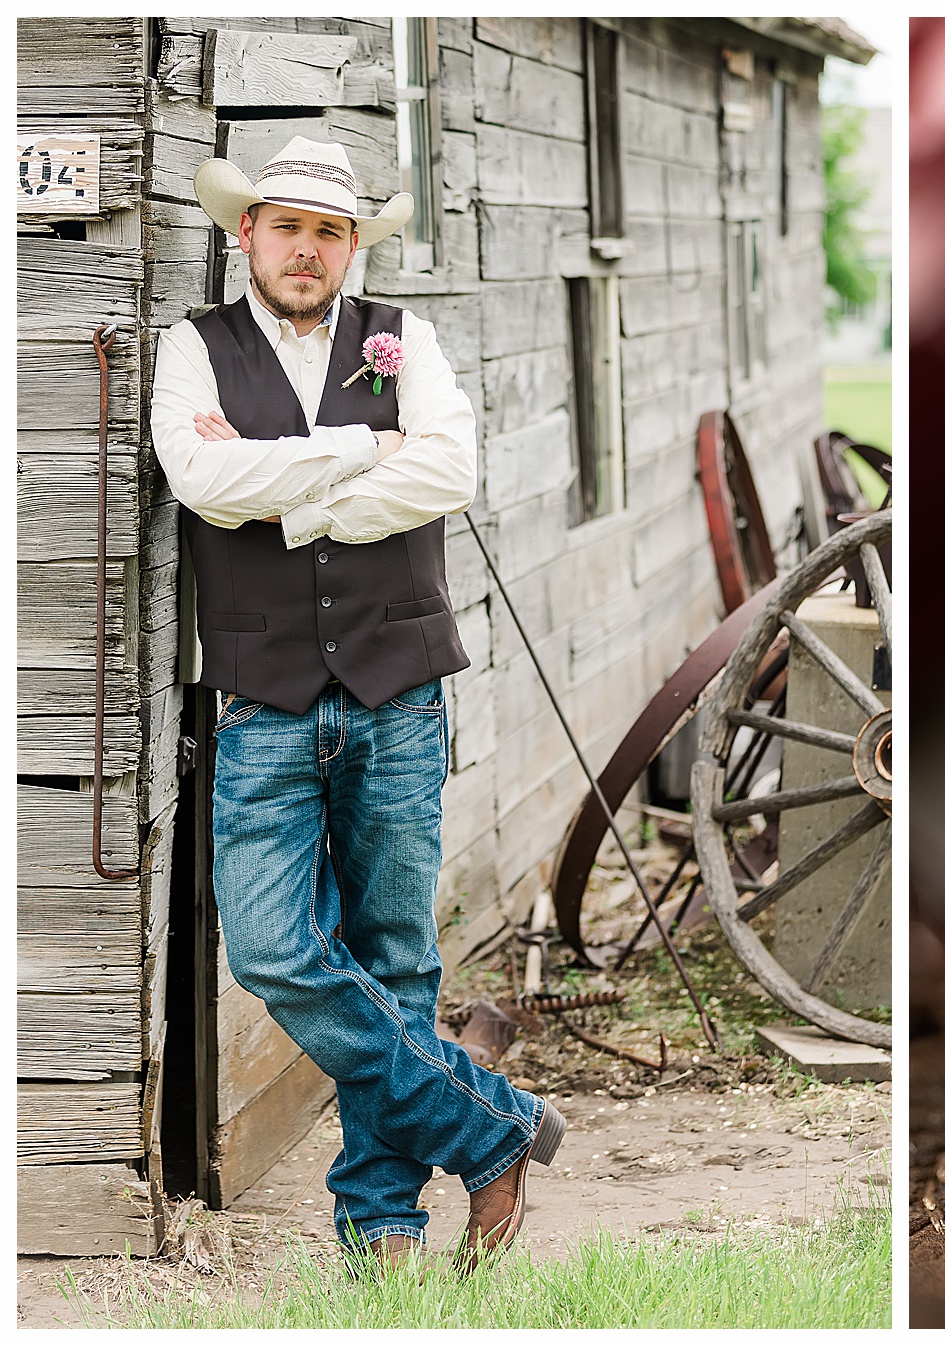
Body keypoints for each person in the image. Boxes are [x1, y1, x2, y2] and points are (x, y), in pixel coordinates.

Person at [150, 136, 562, 1273]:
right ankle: (493, 1128)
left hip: (397, 690)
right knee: (275, 948)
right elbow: (201, 480)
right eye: (286, 227)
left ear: (349, 246)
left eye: (329, 231)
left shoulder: (403, 336)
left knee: (393, 958)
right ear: (248, 236)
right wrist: (351, 446)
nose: (306, 249)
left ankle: (380, 1224)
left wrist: (291, 496)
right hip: (261, 700)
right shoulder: (194, 349)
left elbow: (446, 472)